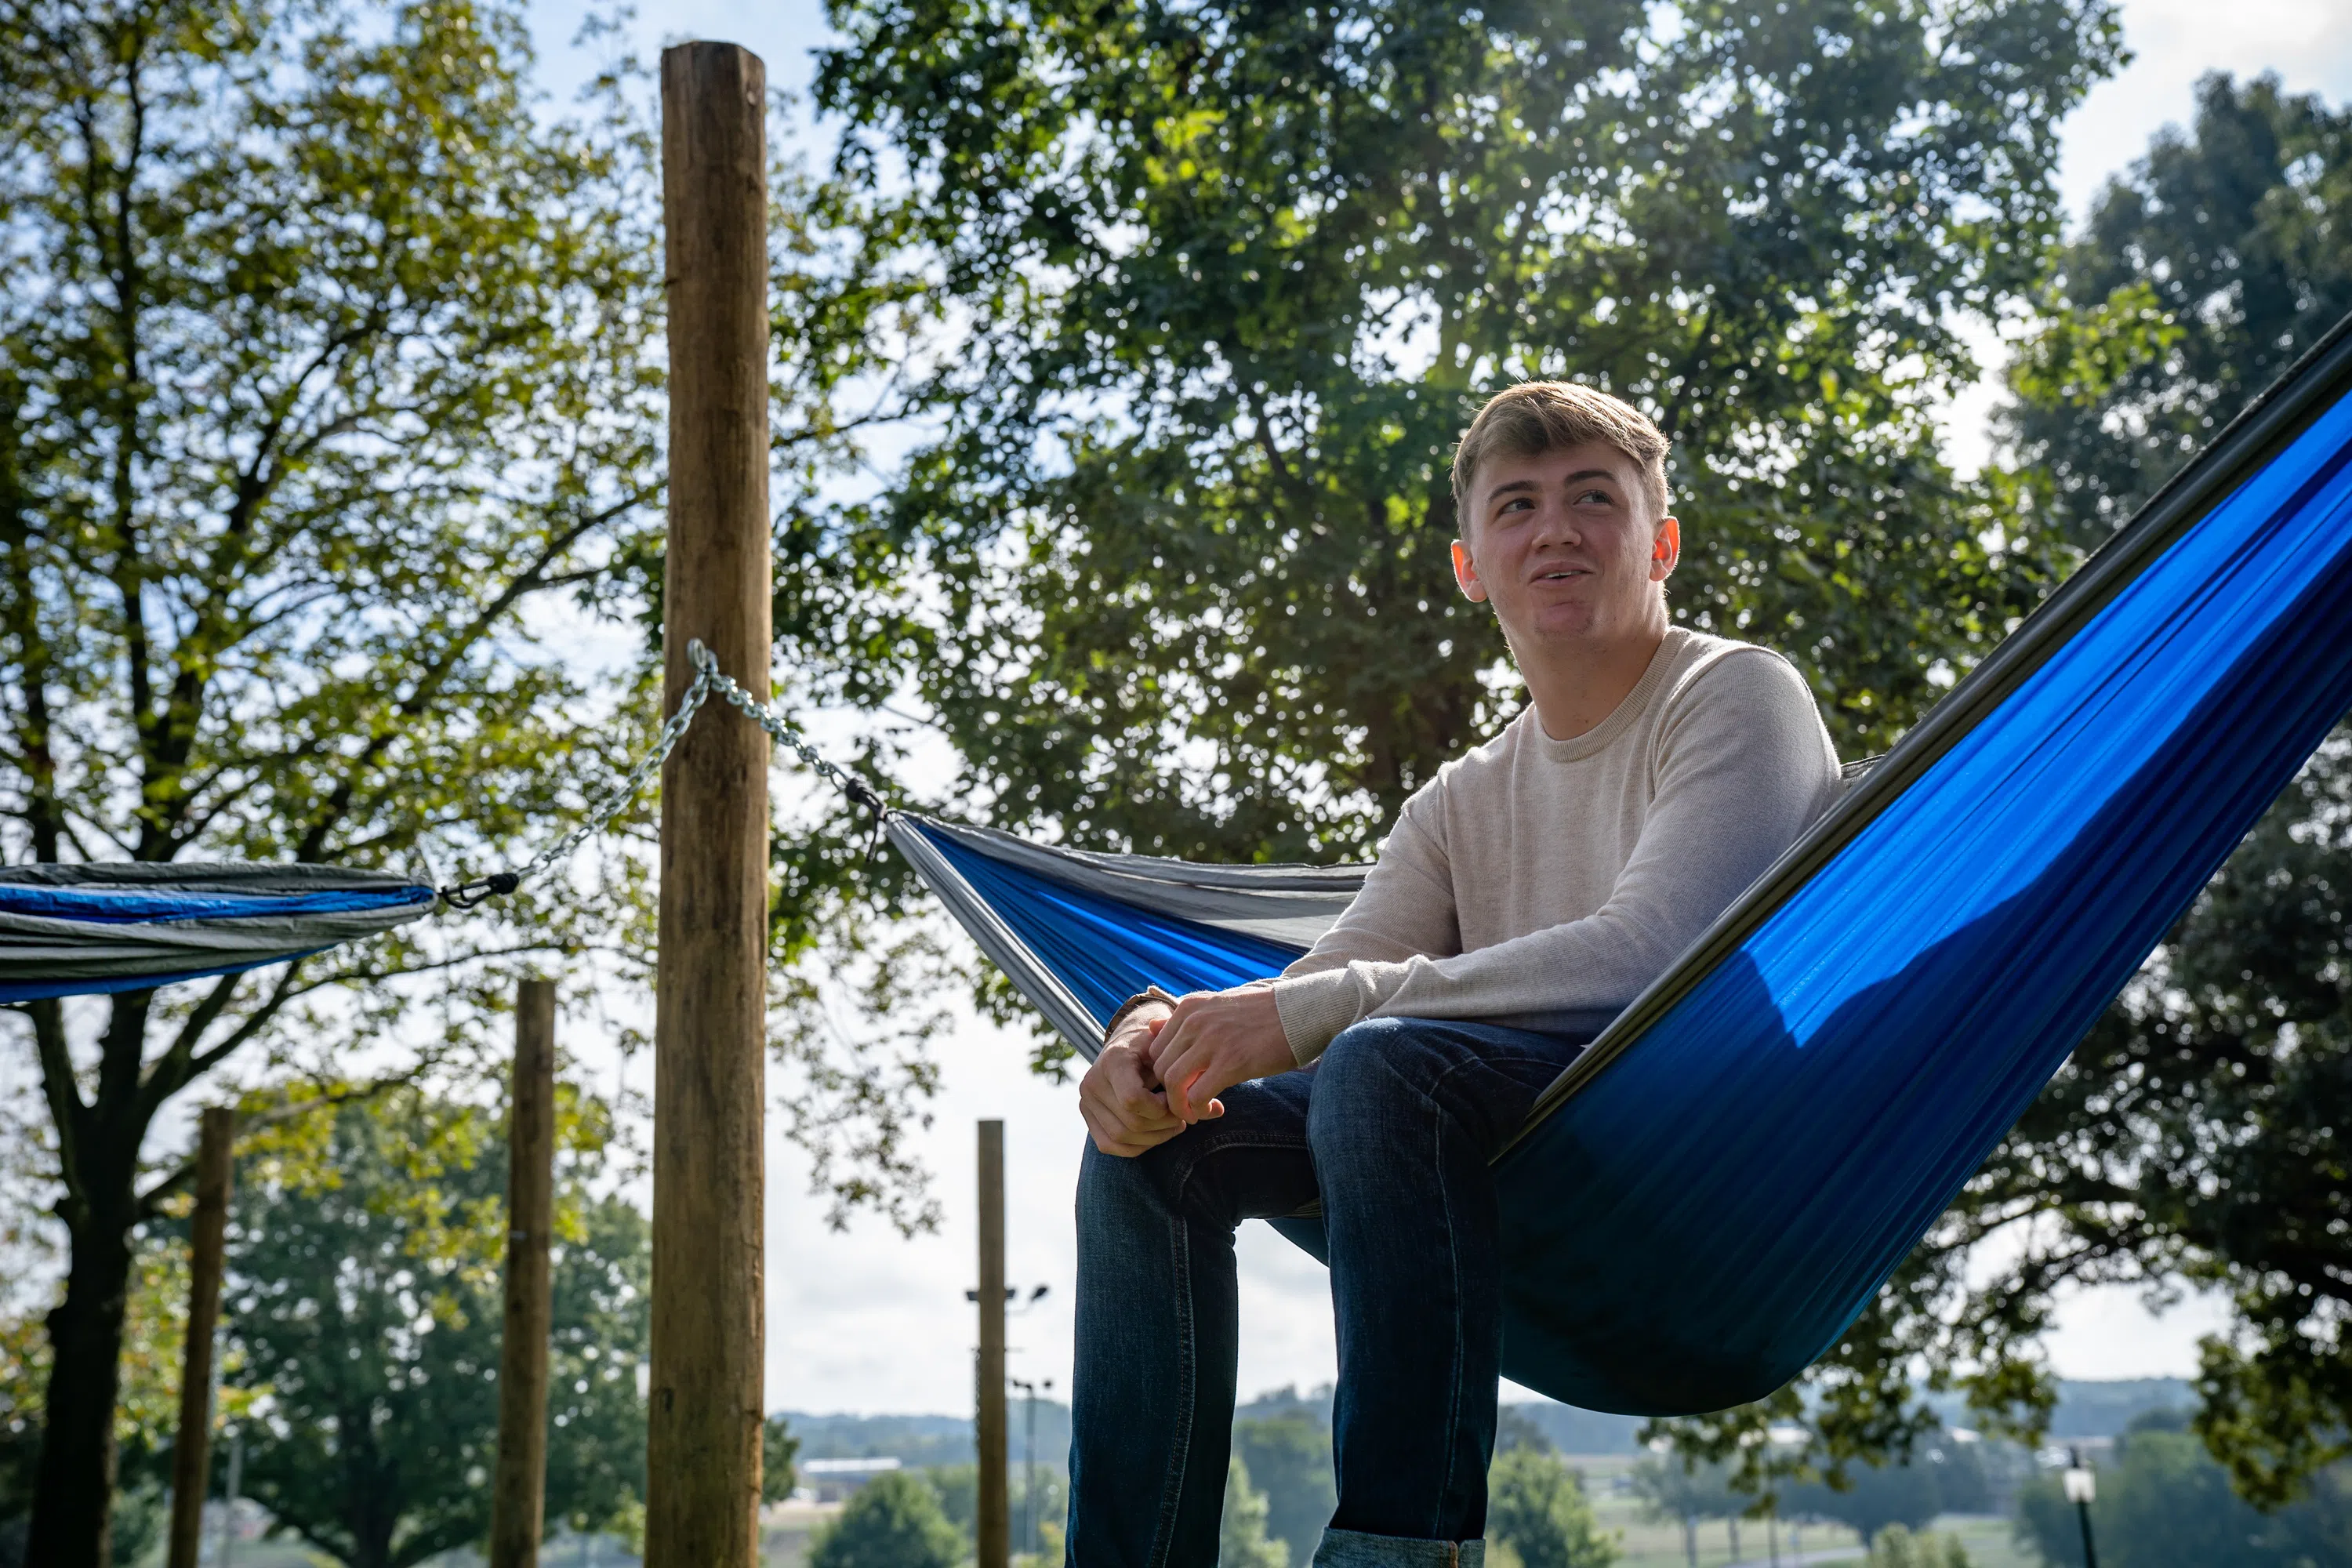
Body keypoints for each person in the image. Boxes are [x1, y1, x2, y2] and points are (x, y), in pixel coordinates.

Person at [1065, 383, 1842, 1568]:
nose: (1557, 530)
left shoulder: (1737, 695)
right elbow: (1332, 978)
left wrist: (1315, 1012)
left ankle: (1395, 1554)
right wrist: (1153, 1028)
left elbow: (1653, 956)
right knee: (1162, 1143)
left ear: (1661, 542)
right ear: (1470, 564)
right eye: (1518, 506)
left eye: (1596, 499)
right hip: (1499, 1181)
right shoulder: (1460, 800)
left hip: (1702, 1189)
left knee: (1383, 1061)